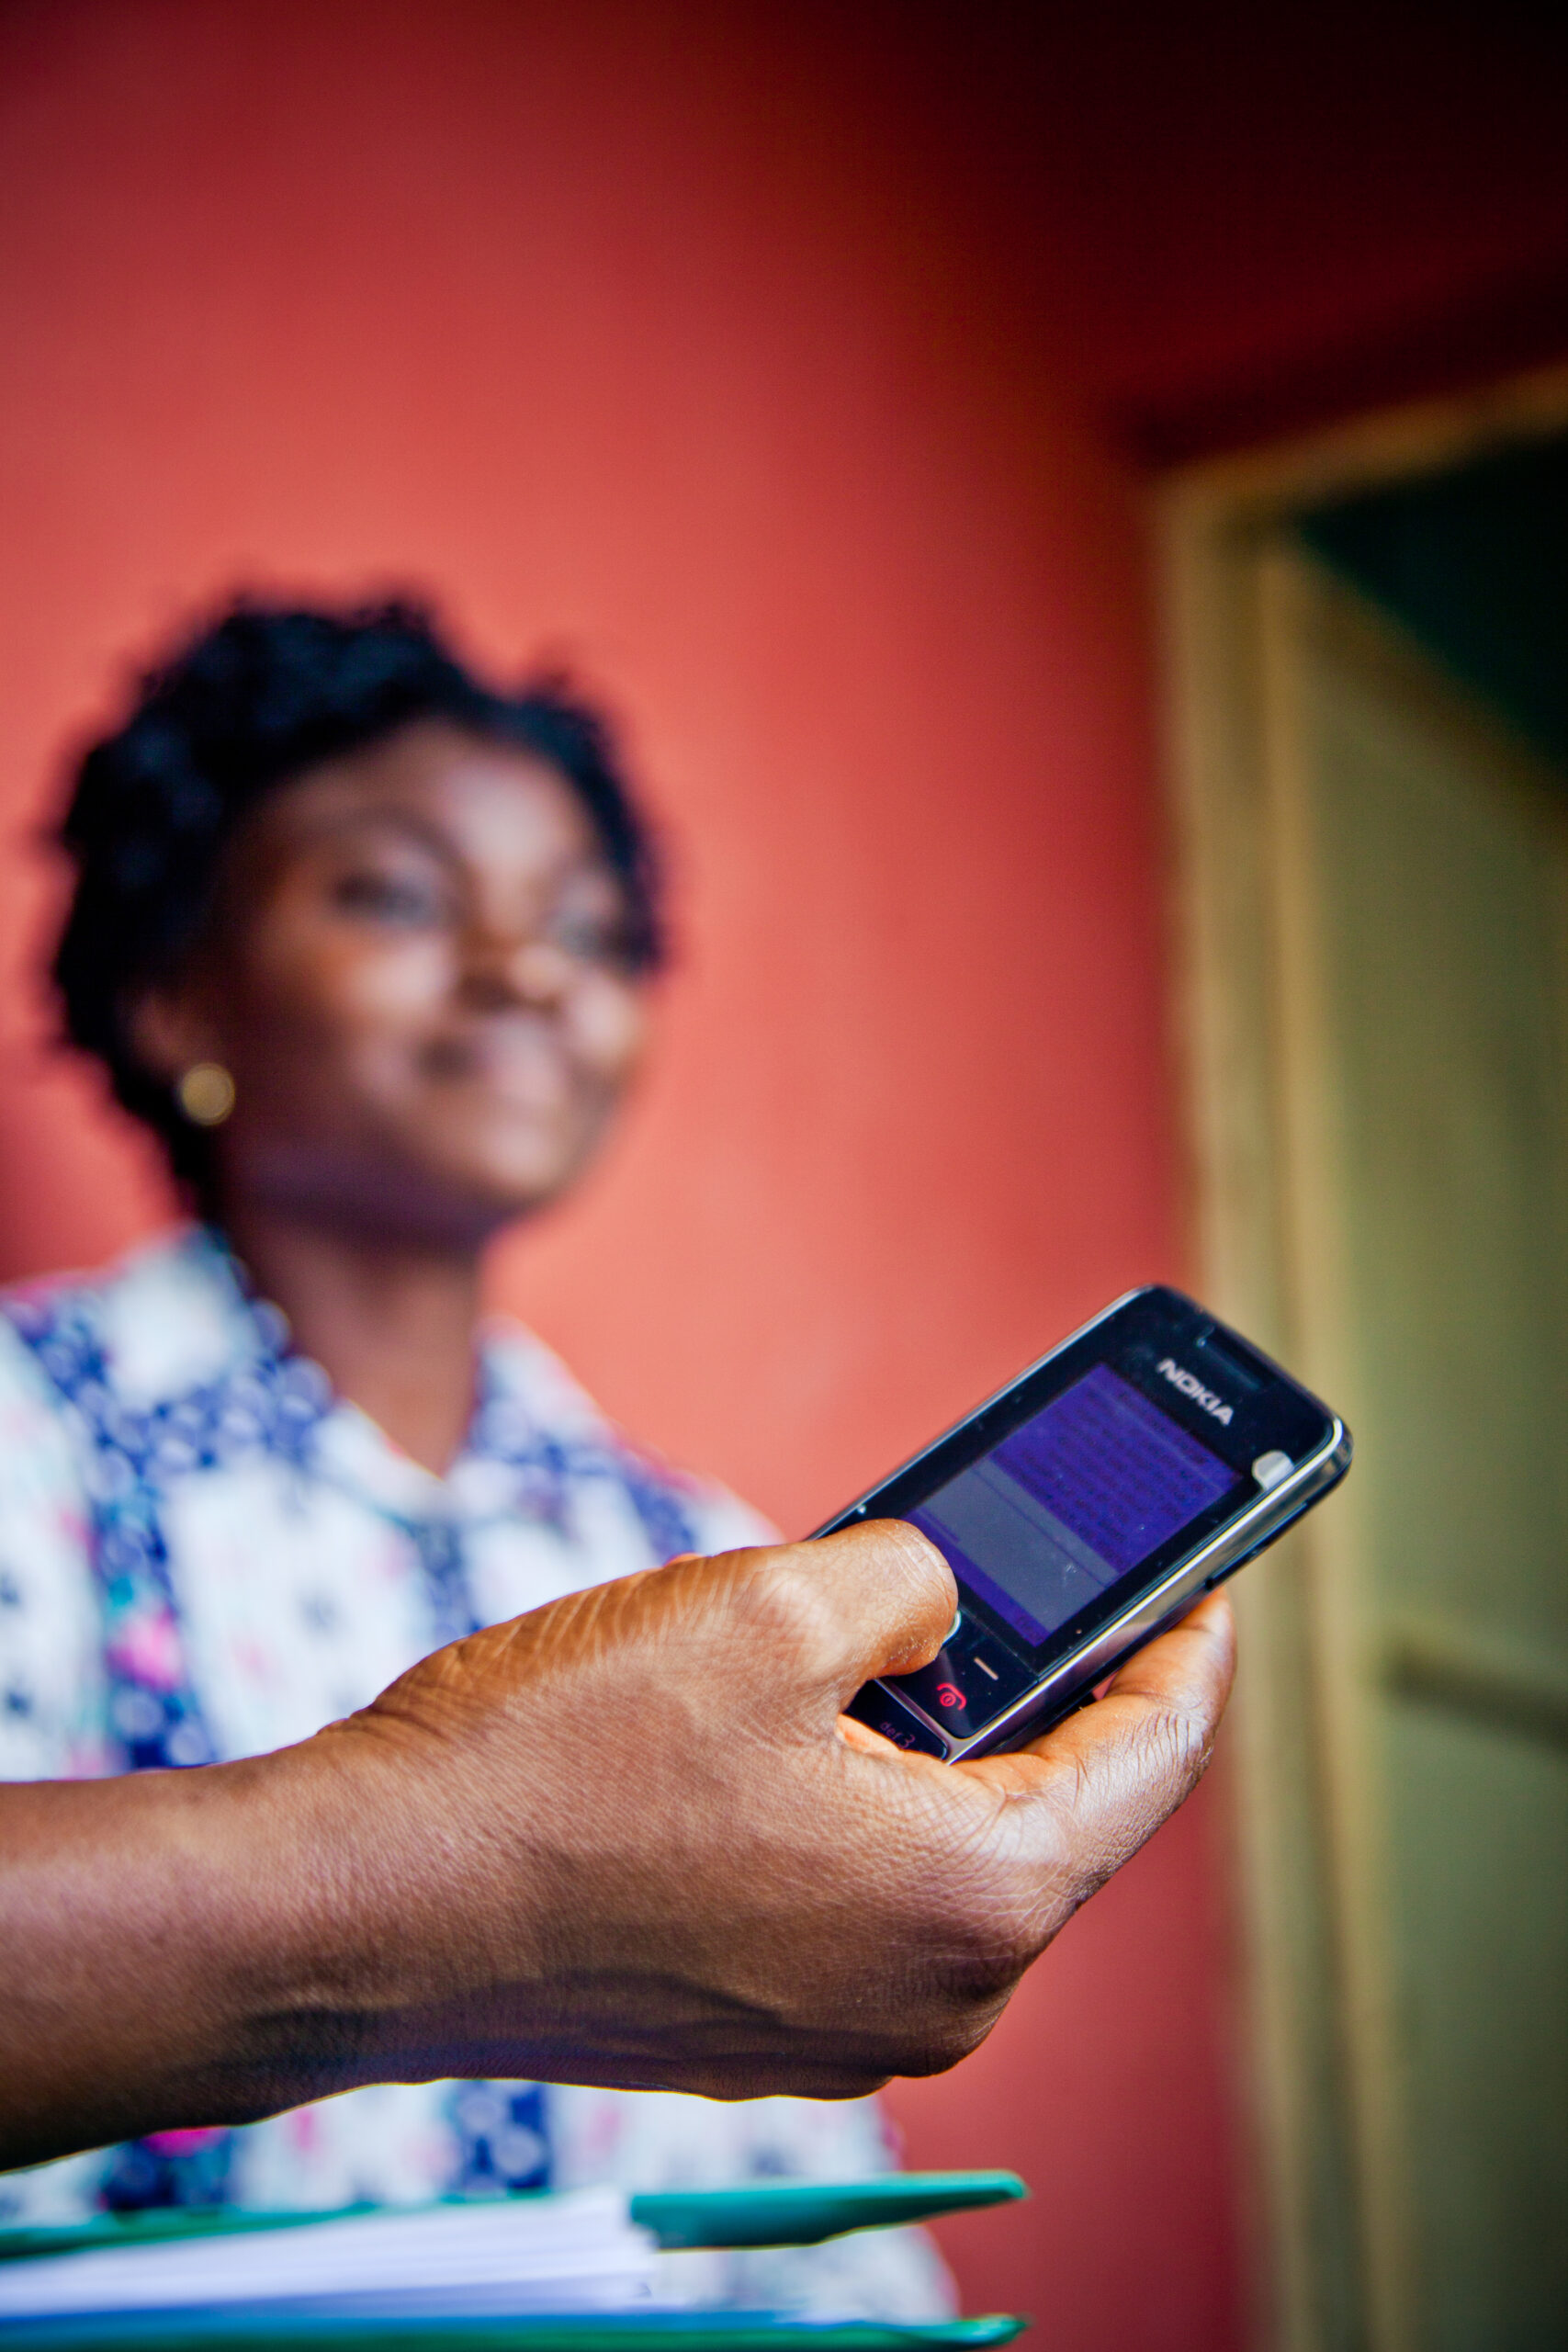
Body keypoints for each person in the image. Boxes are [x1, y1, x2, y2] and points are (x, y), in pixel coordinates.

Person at [0, 602, 1235, 2309]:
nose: (526, 973)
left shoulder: (707, 1560)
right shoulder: (32, 1441)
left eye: (586, 927)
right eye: (398, 894)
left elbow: (812, 2215)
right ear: (172, 996)